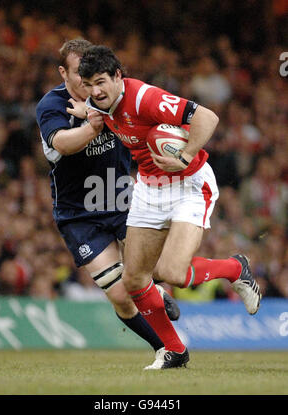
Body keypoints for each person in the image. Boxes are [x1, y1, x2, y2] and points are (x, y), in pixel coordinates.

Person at [72, 45, 262, 370]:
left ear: (119, 76)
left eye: (101, 81)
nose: (95, 91)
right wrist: (88, 115)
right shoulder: (97, 101)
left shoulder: (146, 98)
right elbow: (108, 117)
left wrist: (184, 157)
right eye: (89, 84)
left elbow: (207, 117)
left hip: (189, 184)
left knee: (171, 273)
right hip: (149, 188)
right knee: (133, 280)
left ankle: (234, 268)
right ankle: (174, 350)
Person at [35, 39, 180, 360]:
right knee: (120, 295)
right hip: (78, 215)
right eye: (79, 74)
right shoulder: (51, 106)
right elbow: (62, 143)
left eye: (94, 74)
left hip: (123, 200)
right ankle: (166, 349)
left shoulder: (110, 96)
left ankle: (219, 274)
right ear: (63, 73)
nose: (89, 82)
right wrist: (92, 124)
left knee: (155, 271)